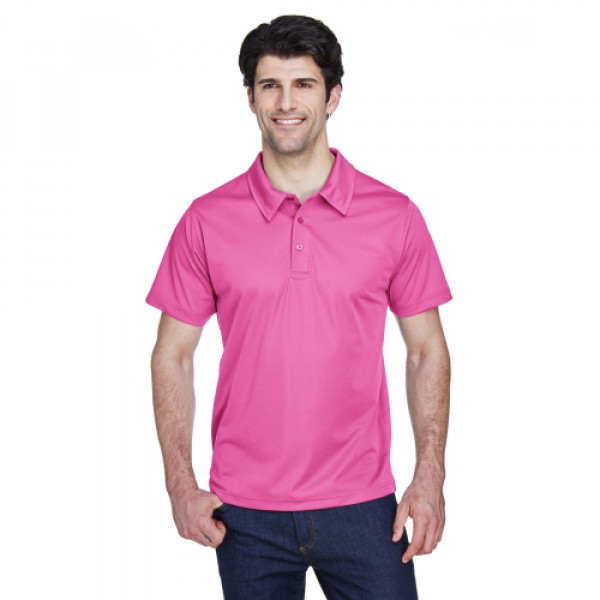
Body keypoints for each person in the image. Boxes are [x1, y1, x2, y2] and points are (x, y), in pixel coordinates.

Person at [147, 14, 451, 599]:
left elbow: (425, 350)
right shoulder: (206, 220)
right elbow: (173, 355)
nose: (286, 103)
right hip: (243, 511)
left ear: (332, 96)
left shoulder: (395, 216)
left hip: (364, 503)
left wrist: (430, 473)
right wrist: (179, 484)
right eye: (270, 85)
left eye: (304, 84)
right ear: (251, 99)